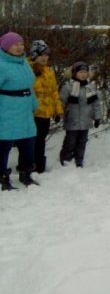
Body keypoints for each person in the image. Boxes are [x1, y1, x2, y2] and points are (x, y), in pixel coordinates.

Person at [0, 32, 40, 189]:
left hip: (24, 111)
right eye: (15, 44)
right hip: (6, 111)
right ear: (5, 47)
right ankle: (2, 177)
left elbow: (28, 86)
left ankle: (26, 173)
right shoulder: (1, 64)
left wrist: (33, 103)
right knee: (4, 146)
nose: (19, 47)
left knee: (28, 144)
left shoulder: (24, 63)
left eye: (21, 44)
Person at [58, 62, 101, 167]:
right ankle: (66, 159)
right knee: (70, 141)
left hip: (86, 120)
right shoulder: (68, 87)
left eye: (85, 72)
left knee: (82, 142)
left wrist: (97, 117)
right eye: (81, 72)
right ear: (74, 73)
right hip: (72, 119)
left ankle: (79, 160)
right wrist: (59, 114)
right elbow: (61, 102)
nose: (83, 74)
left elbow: (96, 103)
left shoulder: (90, 87)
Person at [29, 39, 61, 174]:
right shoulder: (27, 69)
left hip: (46, 113)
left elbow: (54, 92)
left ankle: (40, 167)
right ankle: (28, 165)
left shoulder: (49, 71)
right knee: (30, 141)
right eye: (41, 54)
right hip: (32, 113)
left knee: (41, 140)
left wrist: (57, 111)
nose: (45, 57)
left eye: (47, 54)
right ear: (34, 55)